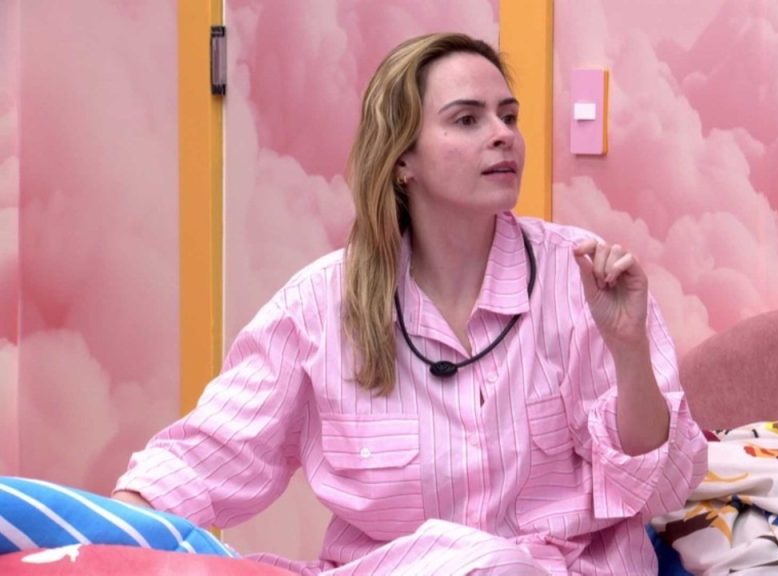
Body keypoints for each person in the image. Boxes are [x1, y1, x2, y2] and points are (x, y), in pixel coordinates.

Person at [113, 32, 708, 575]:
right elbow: (209, 455)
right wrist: (101, 537)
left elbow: (661, 490)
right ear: (403, 159)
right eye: (467, 119)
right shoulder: (318, 307)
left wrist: (629, 350)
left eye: (508, 116)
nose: (502, 134)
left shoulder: (582, 279)